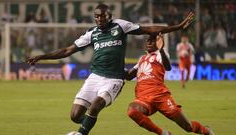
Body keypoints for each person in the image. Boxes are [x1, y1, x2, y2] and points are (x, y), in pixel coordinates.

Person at [26, 4, 194, 135]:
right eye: (96, 16)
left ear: (109, 16)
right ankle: (86, 125)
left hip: (114, 78)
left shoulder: (120, 26)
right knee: (75, 116)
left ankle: (82, 133)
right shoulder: (91, 34)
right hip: (95, 77)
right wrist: (42, 56)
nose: (99, 19)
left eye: (102, 16)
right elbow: (66, 51)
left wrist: (177, 27)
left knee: (95, 105)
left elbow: (149, 29)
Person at [125, 34, 214, 135]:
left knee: (187, 126)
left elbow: (168, 67)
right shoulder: (142, 59)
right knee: (132, 111)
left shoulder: (160, 54)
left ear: (158, 43)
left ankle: (206, 130)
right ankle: (163, 133)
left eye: (152, 41)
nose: (149, 42)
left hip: (161, 97)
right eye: (148, 40)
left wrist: (161, 49)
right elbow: (128, 76)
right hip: (143, 98)